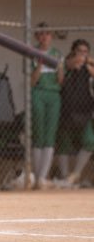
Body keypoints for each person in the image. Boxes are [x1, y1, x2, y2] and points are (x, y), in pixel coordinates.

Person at [55, 39, 94, 186]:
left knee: (90, 142)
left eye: (85, 52)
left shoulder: (88, 68)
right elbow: (61, 75)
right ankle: (65, 178)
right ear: (73, 52)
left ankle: (76, 174)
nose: (82, 55)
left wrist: (88, 63)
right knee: (63, 145)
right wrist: (73, 63)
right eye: (79, 51)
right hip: (66, 112)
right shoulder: (66, 65)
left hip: (84, 113)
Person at [31, 22, 64, 189]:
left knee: (50, 136)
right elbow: (32, 80)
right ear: (37, 36)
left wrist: (59, 66)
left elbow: (60, 80)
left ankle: (42, 177)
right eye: (41, 34)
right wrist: (40, 63)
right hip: (38, 92)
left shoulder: (57, 53)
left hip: (53, 94)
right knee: (39, 134)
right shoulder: (33, 52)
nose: (44, 37)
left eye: (47, 34)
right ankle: (36, 177)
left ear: (51, 36)